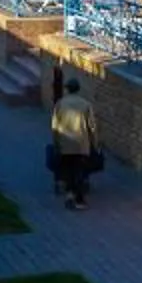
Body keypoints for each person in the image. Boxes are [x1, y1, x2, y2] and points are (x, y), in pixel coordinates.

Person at [48, 75, 103, 208]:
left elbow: (55, 126)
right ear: (78, 89)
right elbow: (92, 127)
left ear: (67, 89)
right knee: (79, 170)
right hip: (81, 144)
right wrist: (95, 144)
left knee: (67, 170)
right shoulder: (85, 104)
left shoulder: (60, 104)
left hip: (65, 144)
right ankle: (78, 199)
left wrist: (56, 143)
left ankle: (69, 196)